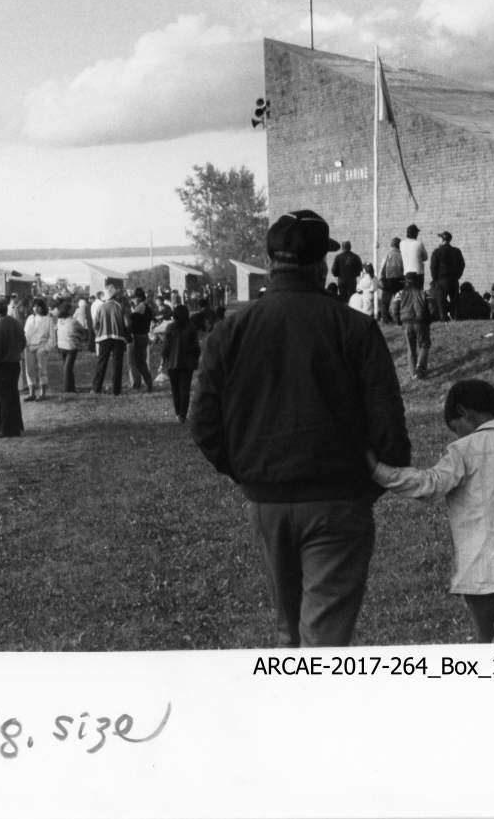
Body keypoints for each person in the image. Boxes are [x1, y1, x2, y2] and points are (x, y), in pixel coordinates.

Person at [191, 209, 411, 647]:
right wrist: (371, 482)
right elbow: (388, 427)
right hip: (337, 500)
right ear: (320, 264)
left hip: (267, 498)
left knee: (288, 635)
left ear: (271, 261)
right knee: (324, 641)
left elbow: (203, 421)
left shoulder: (230, 330)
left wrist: (246, 469)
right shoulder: (355, 327)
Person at [368, 379, 494, 643]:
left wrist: (378, 471)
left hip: (477, 574)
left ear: (464, 413)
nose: (457, 436)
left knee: (486, 654)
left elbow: (428, 484)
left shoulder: (462, 451)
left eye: (455, 429)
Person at [0, 296, 25, 437]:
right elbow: (23, 342)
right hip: (14, 364)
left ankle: (3, 429)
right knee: (13, 396)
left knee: (2, 399)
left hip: (2, 366)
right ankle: (15, 427)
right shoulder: (15, 322)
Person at [161, 303, 201, 423]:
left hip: (172, 363)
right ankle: (183, 414)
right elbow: (196, 347)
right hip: (187, 363)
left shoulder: (170, 328)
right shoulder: (191, 328)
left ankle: (178, 412)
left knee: (175, 389)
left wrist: (163, 359)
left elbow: (166, 347)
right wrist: (196, 358)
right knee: (185, 389)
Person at [91, 283, 131, 396]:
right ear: (115, 296)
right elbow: (127, 323)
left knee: (101, 363)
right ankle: (116, 390)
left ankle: (96, 388)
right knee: (117, 364)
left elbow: (95, 325)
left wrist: (98, 333)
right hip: (118, 337)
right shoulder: (120, 306)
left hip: (103, 338)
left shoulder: (101, 307)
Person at [390, 272, 432, 380]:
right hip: (421, 322)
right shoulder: (425, 292)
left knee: (410, 348)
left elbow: (393, 309)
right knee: (424, 345)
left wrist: (398, 321)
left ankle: (414, 374)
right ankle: (420, 367)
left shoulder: (400, 293)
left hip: (406, 323)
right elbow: (432, 308)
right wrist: (429, 319)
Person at [429, 230, 465, 321]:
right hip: (453, 279)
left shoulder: (437, 252)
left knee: (441, 301)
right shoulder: (456, 251)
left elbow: (433, 267)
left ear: (443, 239)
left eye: (440, 238)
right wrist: (458, 275)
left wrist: (435, 279)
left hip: (441, 280)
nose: (439, 240)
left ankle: (443, 318)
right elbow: (462, 264)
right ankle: (455, 317)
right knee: (454, 300)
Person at [23, 298, 54, 401]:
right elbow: (25, 333)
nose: (36, 308)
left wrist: (45, 348)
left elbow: (52, 337)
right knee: (29, 370)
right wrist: (25, 345)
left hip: (41, 347)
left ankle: (43, 393)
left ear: (42, 307)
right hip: (29, 347)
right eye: (34, 306)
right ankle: (31, 393)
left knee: (42, 370)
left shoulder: (48, 319)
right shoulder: (30, 319)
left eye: (38, 306)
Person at [54, 301, 88, 393]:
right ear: (69, 310)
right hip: (71, 346)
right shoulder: (73, 321)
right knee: (68, 369)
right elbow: (82, 330)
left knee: (67, 367)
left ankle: (71, 387)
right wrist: (81, 338)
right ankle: (67, 388)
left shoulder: (59, 321)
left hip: (61, 346)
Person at [126, 287, 155, 392]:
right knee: (140, 361)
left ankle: (148, 384)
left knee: (139, 363)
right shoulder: (147, 307)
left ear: (138, 298)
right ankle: (145, 383)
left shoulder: (140, 307)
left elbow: (132, 319)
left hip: (138, 337)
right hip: (144, 336)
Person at [379, 237, 405, 323]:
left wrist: (380, 278)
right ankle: (400, 317)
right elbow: (404, 268)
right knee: (399, 300)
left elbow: (383, 267)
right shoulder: (402, 254)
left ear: (391, 245)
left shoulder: (388, 254)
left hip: (388, 280)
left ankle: (386, 319)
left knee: (385, 302)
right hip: (400, 280)